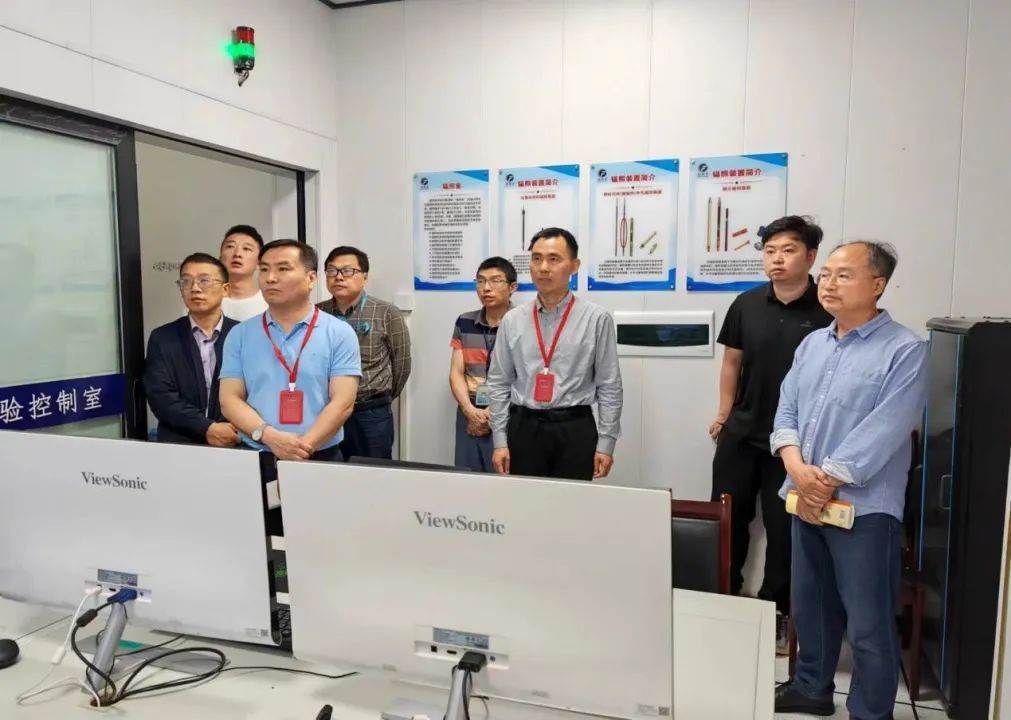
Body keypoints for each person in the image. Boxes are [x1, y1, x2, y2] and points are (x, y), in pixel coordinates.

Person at [771, 241, 928, 719]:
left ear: (877, 285)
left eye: (843, 275)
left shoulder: (905, 350)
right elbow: (787, 409)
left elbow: (886, 429)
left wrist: (823, 480)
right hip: (804, 498)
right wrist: (796, 467)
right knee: (811, 607)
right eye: (826, 275)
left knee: (867, 622)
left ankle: (870, 710)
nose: (828, 283)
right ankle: (811, 689)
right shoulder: (812, 344)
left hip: (865, 509)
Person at [709, 215, 831, 649]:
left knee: (785, 532)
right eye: (770, 251)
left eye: (788, 250)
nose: (776, 259)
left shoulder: (827, 309)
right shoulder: (746, 303)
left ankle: (777, 613)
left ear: (810, 257)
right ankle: (721, 602)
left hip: (796, 445)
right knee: (726, 520)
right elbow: (732, 363)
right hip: (742, 432)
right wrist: (723, 414)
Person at [487, 228, 622, 481]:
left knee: (572, 503)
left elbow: (609, 384)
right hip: (524, 427)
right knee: (525, 502)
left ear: (574, 266)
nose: (543, 268)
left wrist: (606, 442)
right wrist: (500, 440)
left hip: (575, 428)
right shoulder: (513, 320)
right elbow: (498, 381)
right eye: (536, 259)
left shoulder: (596, 319)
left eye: (553, 259)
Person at [218, 240, 361, 462]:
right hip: (258, 453)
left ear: (311, 278)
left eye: (283, 269)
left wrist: (299, 449)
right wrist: (271, 438)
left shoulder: (339, 333)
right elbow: (229, 400)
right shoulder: (240, 334)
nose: (270, 278)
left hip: (319, 454)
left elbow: (343, 403)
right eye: (264, 269)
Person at [317, 246, 411, 460]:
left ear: (365, 277)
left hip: (370, 412)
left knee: (373, 471)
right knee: (330, 470)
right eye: (332, 271)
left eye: (347, 271)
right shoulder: (317, 313)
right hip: (326, 409)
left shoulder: (386, 312)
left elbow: (402, 363)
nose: (339, 277)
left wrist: (381, 398)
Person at [144, 253, 239, 446]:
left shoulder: (242, 334)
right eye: (186, 282)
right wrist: (206, 428)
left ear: (225, 289)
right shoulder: (163, 337)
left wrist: (228, 428)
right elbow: (161, 396)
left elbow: (254, 391)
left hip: (233, 439)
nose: (195, 288)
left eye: (205, 281)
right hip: (180, 442)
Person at [449, 257, 518, 472]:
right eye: (480, 281)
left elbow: (524, 377)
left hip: (508, 411)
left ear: (512, 287)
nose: (486, 288)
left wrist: (491, 413)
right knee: (467, 476)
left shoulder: (522, 323)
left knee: (504, 477)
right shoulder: (464, 322)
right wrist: (469, 410)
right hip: (469, 411)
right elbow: (456, 372)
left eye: (495, 281)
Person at [220, 224, 269, 321]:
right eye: (230, 246)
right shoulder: (205, 301)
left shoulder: (270, 304)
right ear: (220, 258)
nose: (237, 254)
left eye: (246, 248)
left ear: (259, 262)